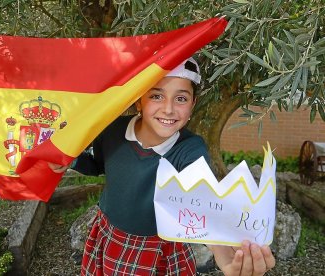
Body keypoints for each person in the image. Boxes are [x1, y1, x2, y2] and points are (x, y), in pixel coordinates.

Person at [48, 57, 276, 275]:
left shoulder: (190, 150)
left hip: (160, 248)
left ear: (193, 104)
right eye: (156, 96)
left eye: (180, 98)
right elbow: (98, 165)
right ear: (139, 100)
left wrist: (222, 252)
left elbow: (200, 204)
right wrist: (73, 160)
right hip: (110, 234)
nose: (168, 109)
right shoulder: (113, 130)